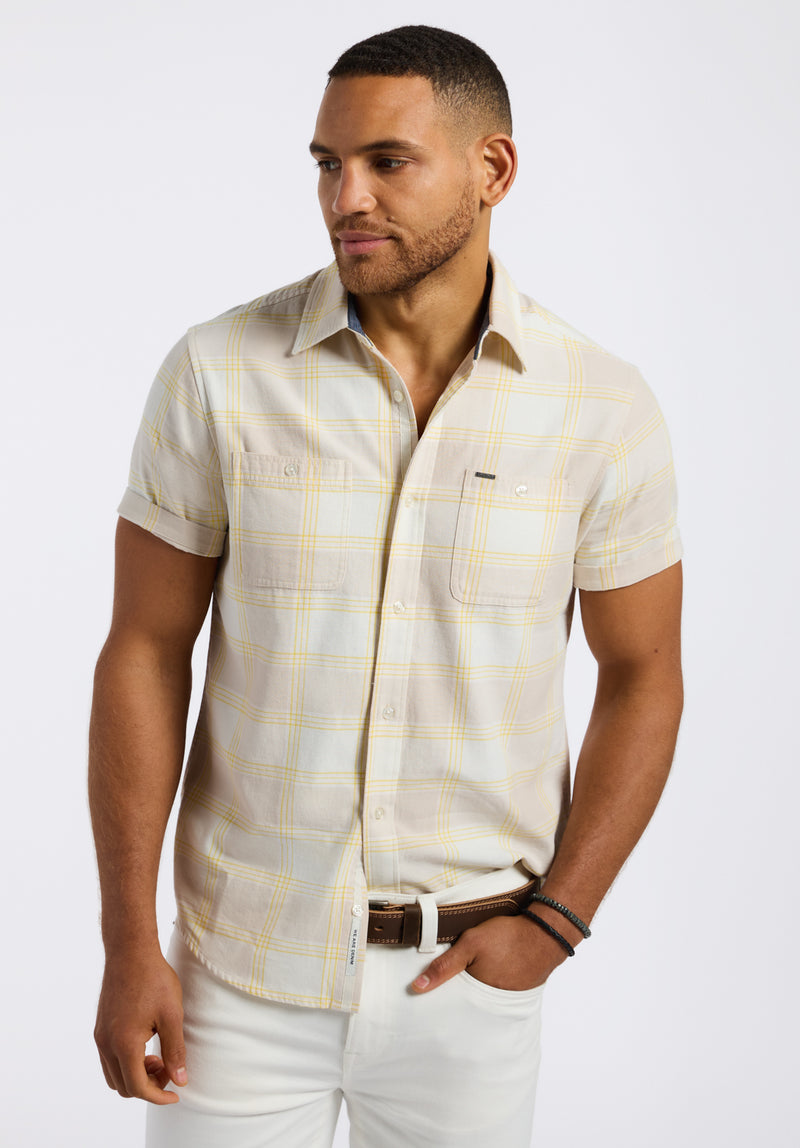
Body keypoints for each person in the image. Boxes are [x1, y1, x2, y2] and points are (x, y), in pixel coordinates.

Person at [89, 24, 683, 1148]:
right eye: (326, 163)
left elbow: (644, 672)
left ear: (492, 169)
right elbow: (143, 649)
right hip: (235, 978)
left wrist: (556, 922)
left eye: (386, 162)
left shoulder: (602, 407)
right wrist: (128, 940)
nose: (344, 198)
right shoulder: (219, 372)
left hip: (467, 978)